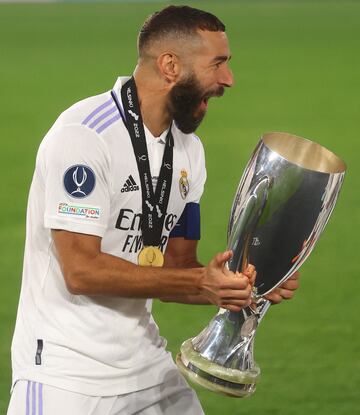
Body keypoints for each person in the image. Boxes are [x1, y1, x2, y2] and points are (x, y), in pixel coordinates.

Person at [7, 5, 299, 415]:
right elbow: (80, 271)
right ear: (169, 65)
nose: (228, 80)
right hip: (66, 376)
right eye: (217, 64)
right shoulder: (85, 136)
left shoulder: (189, 152)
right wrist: (201, 283)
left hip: (145, 368)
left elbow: (181, 265)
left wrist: (244, 284)